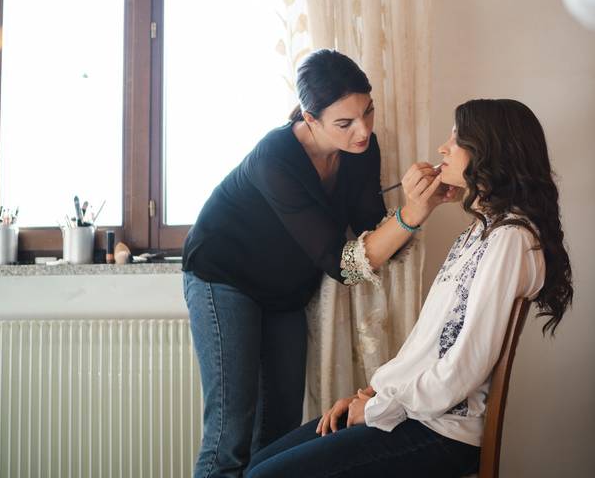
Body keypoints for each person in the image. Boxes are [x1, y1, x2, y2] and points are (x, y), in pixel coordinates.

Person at [244, 98, 574, 478]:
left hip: (441, 433)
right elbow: (427, 347)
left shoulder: (509, 240)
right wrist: (372, 395)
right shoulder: (478, 233)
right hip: (412, 414)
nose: (443, 148)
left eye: (457, 138)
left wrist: (375, 410)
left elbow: (462, 367)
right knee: (259, 465)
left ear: (491, 150)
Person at [182, 49, 456, 477]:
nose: (363, 131)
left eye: (367, 112)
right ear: (310, 120)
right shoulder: (274, 158)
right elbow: (344, 265)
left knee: (279, 435)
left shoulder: (362, 148)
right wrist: (410, 214)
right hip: (223, 276)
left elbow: (370, 229)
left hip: (286, 291)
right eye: (345, 123)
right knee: (228, 435)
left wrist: (422, 203)